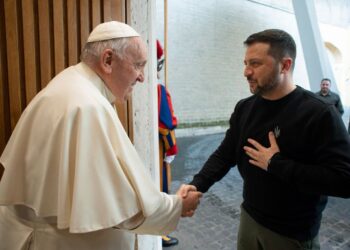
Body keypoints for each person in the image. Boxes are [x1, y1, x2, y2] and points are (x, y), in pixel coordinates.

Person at [0, 21, 202, 250]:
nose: (142, 77)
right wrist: (177, 206)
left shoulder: (70, 83)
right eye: (138, 65)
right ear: (107, 60)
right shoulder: (88, 106)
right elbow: (121, 208)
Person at [189, 29, 350, 250]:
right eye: (245, 63)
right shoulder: (245, 107)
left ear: (284, 65)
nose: (246, 72)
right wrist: (196, 185)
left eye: (255, 64)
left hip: (292, 234)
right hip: (249, 218)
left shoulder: (319, 114)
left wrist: (276, 164)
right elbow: (225, 153)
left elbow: (344, 180)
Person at [156, 39, 179, 247]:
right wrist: (171, 148)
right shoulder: (158, 89)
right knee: (161, 189)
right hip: (157, 148)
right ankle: (161, 233)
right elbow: (167, 123)